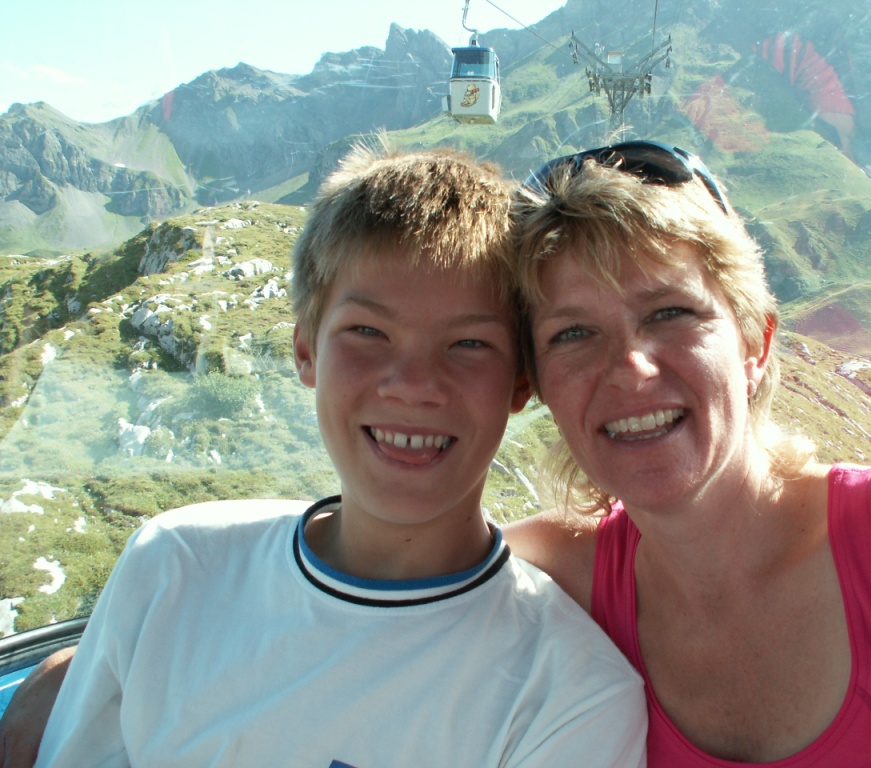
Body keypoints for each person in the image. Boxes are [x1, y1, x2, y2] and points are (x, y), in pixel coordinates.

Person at [21, 144, 647, 768]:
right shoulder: (170, 568)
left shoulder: (568, 697)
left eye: (468, 343)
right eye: (368, 332)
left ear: (521, 383)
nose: (413, 385)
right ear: (306, 351)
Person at [500, 139, 871, 766]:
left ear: (756, 343)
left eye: (669, 312)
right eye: (573, 333)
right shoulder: (549, 579)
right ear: (535, 384)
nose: (630, 370)